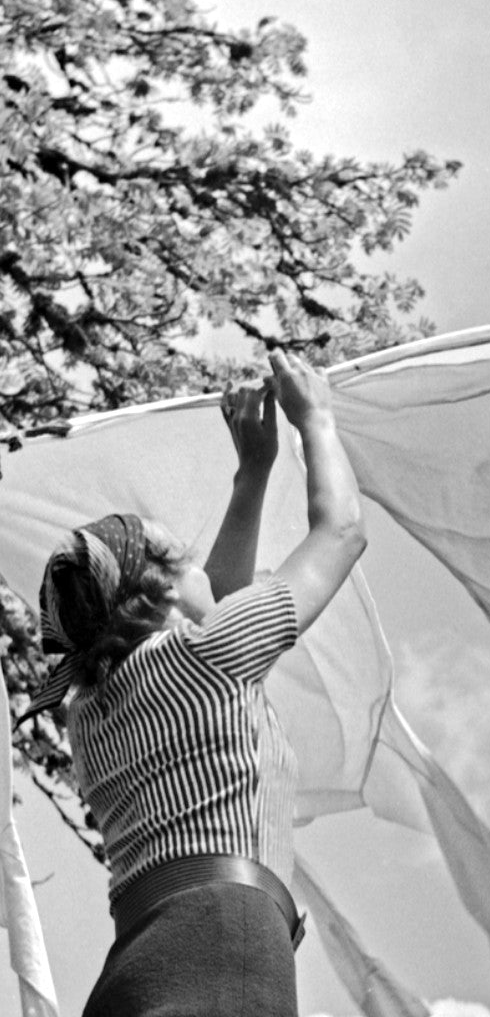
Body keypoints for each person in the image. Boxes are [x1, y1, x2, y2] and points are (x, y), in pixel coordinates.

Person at [19, 351, 366, 1017]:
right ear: (169, 593)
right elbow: (342, 532)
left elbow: (217, 602)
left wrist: (253, 474)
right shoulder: (201, 660)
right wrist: (314, 416)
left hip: (139, 970)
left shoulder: (92, 713)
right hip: (220, 943)